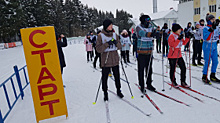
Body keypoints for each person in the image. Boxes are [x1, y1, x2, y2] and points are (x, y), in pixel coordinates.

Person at [96, 19, 124, 101]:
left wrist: (116, 43)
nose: (111, 26)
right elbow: (98, 49)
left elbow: (119, 46)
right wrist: (107, 44)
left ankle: (119, 90)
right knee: (104, 77)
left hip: (115, 59)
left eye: (111, 25)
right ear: (105, 26)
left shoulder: (115, 35)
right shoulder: (100, 36)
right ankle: (105, 92)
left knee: (117, 76)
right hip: (105, 60)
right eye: (109, 25)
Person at [136, 14, 156, 92]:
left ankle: (149, 84)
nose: (148, 22)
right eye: (147, 21)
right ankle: (142, 85)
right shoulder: (139, 27)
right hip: (141, 51)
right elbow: (142, 33)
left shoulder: (151, 27)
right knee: (141, 69)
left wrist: (157, 33)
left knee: (149, 70)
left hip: (149, 51)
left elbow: (155, 31)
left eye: (149, 20)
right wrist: (151, 34)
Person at [168, 24, 190, 88]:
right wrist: (178, 39)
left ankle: (183, 81)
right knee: (173, 69)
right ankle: (173, 81)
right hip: (172, 55)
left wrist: (188, 37)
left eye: (180, 29)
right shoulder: (171, 36)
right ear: (175, 30)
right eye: (179, 29)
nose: (180, 30)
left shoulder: (179, 35)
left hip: (179, 55)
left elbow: (184, 43)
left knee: (183, 68)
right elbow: (173, 45)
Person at [202, 14, 220, 83]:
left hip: (214, 45)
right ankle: (204, 75)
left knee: (215, 61)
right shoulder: (205, 28)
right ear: (208, 20)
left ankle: (213, 75)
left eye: (214, 19)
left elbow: (218, 36)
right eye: (212, 20)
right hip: (207, 46)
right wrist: (211, 29)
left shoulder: (216, 27)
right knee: (207, 62)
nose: (213, 21)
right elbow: (206, 38)